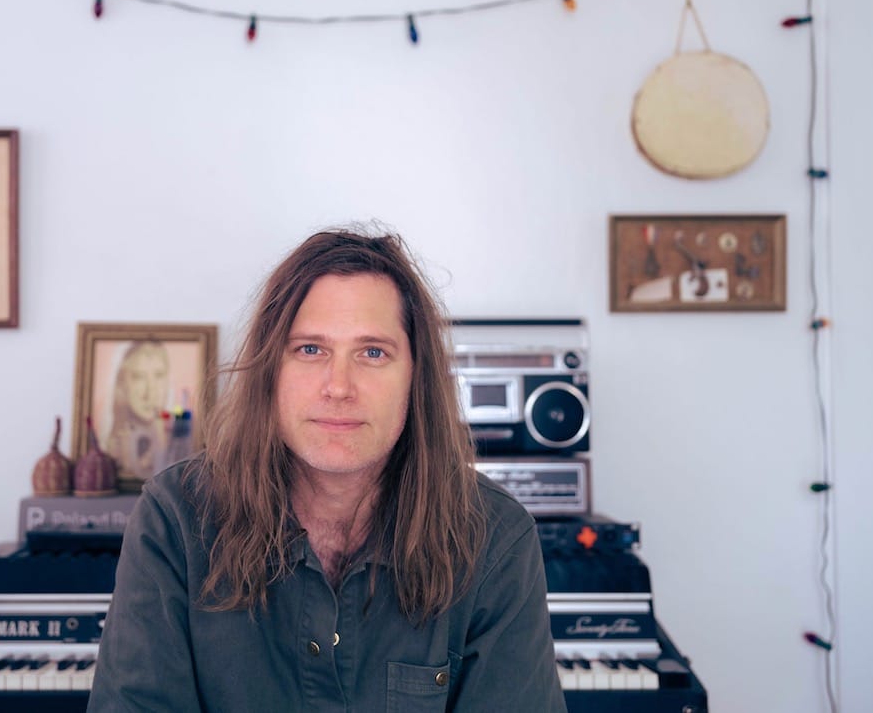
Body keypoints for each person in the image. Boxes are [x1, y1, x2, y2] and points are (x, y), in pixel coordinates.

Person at [88, 228, 566, 712]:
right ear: (270, 369)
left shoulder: (495, 538)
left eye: (372, 352)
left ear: (415, 378)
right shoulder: (175, 519)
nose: (338, 387)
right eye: (310, 350)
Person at [104, 340, 171, 481]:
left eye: (159, 375)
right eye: (138, 377)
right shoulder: (111, 448)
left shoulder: (182, 438)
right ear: (123, 385)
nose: (150, 393)